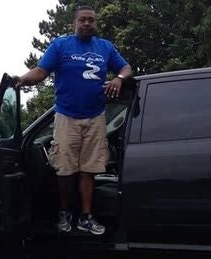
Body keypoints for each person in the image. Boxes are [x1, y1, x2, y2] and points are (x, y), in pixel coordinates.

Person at [15, 5, 132, 235]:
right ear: (74, 23)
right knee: (65, 170)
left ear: (95, 23)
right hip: (66, 117)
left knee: (89, 170)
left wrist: (119, 78)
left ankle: (86, 217)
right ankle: (64, 213)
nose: (87, 23)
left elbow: (126, 68)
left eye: (91, 20)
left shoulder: (105, 47)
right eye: (83, 20)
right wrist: (20, 79)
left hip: (96, 118)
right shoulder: (61, 45)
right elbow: (40, 71)